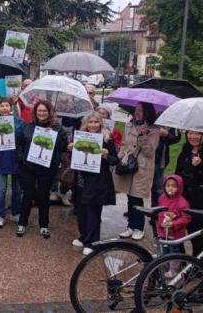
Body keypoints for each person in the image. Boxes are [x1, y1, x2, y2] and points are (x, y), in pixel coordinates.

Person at [16, 100, 68, 239]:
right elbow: (19, 144)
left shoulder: (57, 128)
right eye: (39, 111)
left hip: (47, 168)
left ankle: (44, 225)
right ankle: (22, 223)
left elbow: (64, 147)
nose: (42, 113)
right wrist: (22, 158)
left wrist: (54, 136)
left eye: (45, 111)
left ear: (49, 112)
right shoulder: (27, 127)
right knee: (27, 195)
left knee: (43, 196)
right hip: (28, 167)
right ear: (35, 112)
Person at [69, 111, 117, 255]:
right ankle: (84, 237)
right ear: (86, 123)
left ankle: (92, 242)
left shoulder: (107, 138)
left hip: (98, 181)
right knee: (81, 210)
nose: (93, 125)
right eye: (90, 122)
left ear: (100, 123)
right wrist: (71, 149)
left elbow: (115, 160)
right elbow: (75, 159)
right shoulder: (80, 137)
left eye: (96, 122)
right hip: (81, 180)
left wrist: (107, 155)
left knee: (93, 212)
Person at [114, 102, 160, 241]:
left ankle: (138, 228)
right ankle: (130, 226)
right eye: (136, 110)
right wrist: (120, 157)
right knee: (129, 196)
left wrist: (143, 135)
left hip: (142, 167)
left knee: (137, 197)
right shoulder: (129, 124)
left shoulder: (154, 130)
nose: (137, 113)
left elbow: (150, 152)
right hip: (128, 164)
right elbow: (124, 143)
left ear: (147, 112)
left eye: (140, 110)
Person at [0, 97, 23, 228]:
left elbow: (24, 138)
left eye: (7, 106)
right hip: (1, 158)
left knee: (17, 189)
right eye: (2, 106)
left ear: (11, 107)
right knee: (1, 189)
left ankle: (15, 212)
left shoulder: (19, 122)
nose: (5, 108)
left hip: (16, 158)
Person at [175, 130, 203, 256]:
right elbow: (178, 173)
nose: (192, 136)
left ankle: (198, 265)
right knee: (178, 232)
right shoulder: (185, 151)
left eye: (197, 133)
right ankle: (181, 260)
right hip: (183, 199)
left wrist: (200, 166)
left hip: (200, 201)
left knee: (195, 234)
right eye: (190, 133)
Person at [156, 175, 191, 256]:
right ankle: (166, 264)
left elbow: (186, 218)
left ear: (180, 187)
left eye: (174, 186)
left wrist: (174, 224)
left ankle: (174, 268)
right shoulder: (161, 198)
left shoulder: (183, 202)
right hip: (163, 232)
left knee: (174, 252)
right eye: (168, 186)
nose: (170, 188)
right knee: (165, 250)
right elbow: (160, 213)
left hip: (175, 234)